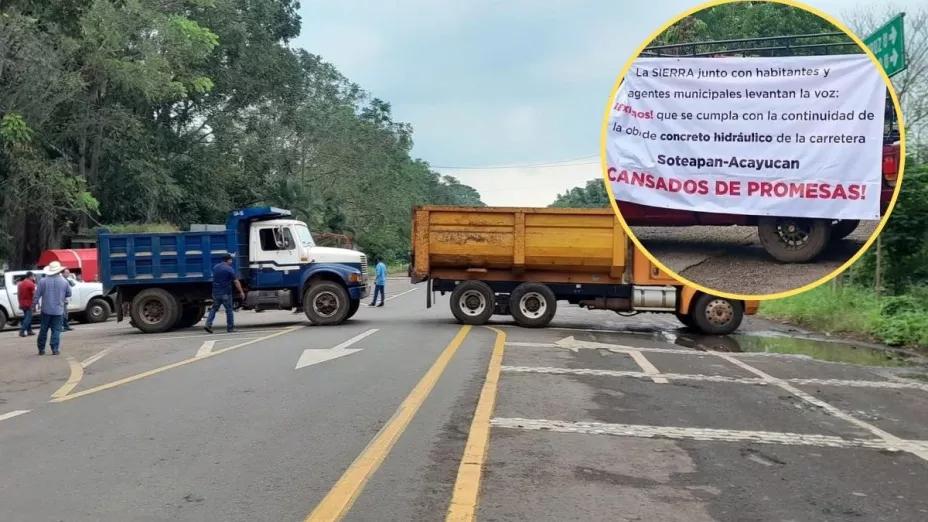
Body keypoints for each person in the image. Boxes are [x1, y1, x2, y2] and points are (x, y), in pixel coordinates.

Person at [32, 261, 71, 355]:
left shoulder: (43, 281)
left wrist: (33, 305)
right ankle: (55, 349)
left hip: (46, 310)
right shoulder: (64, 281)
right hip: (58, 310)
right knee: (56, 330)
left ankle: (41, 349)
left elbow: (37, 295)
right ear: (59, 271)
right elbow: (69, 293)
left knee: (43, 329)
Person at [204, 253, 244, 334]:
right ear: (228, 260)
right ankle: (230, 328)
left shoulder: (216, 267)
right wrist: (241, 291)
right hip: (225, 292)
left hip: (216, 292)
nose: (231, 261)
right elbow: (236, 281)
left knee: (214, 309)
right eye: (231, 260)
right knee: (229, 310)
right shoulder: (229, 269)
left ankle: (208, 324)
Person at [17, 272, 36, 337]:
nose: (33, 278)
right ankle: (22, 331)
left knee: (27, 317)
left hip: (22, 303)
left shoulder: (20, 284)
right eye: (33, 276)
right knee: (29, 317)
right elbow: (34, 295)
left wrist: (19, 303)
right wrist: (35, 304)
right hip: (29, 303)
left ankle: (29, 331)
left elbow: (18, 295)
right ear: (30, 276)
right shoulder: (31, 284)